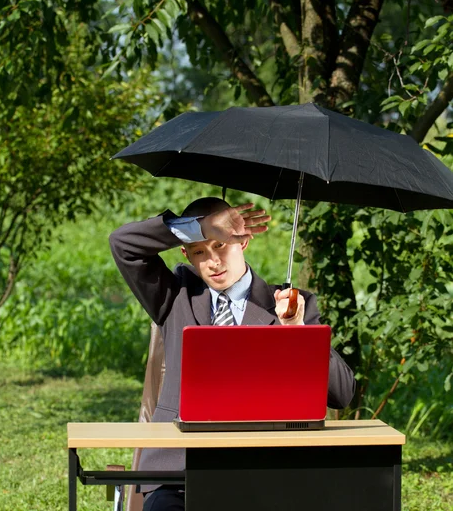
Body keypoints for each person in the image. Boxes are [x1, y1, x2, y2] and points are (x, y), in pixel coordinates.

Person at [110, 197, 356, 511]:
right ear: (186, 253)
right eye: (200, 251)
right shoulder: (174, 296)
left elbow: (342, 394)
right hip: (176, 473)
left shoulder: (288, 304)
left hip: (259, 470)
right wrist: (196, 228)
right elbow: (122, 244)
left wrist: (296, 330)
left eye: (221, 246)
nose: (213, 262)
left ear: (244, 241)